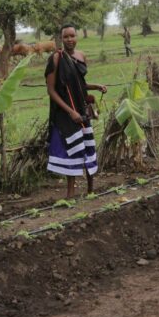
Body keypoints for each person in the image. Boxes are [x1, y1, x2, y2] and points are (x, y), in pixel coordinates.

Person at [45, 23, 107, 198]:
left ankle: (90, 190)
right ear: (61, 39)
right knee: (71, 149)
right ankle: (70, 195)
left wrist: (96, 86)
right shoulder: (56, 58)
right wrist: (70, 112)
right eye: (66, 37)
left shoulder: (81, 56)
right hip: (65, 112)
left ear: (76, 37)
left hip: (82, 109)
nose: (70, 39)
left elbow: (79, 84)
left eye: (72, 36)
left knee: (87, 146)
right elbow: (51, 90)